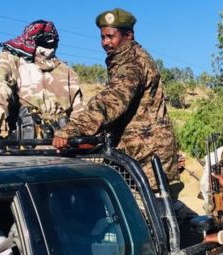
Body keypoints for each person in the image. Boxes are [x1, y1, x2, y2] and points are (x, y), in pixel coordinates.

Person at [52, 8, 179, 191]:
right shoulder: (123, 60)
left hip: (147, 158)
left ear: (129, 35)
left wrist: (71, 130)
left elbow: (112, 101)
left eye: (111, 37)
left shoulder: (133, 63)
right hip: (136, 154)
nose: (105, 43)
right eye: (102, 37)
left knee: (148, 214)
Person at [0, 20, 85, 142]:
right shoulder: (68, 72)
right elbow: (79, 116)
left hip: (24, 154)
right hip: (61, 150)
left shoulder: (11, 60)